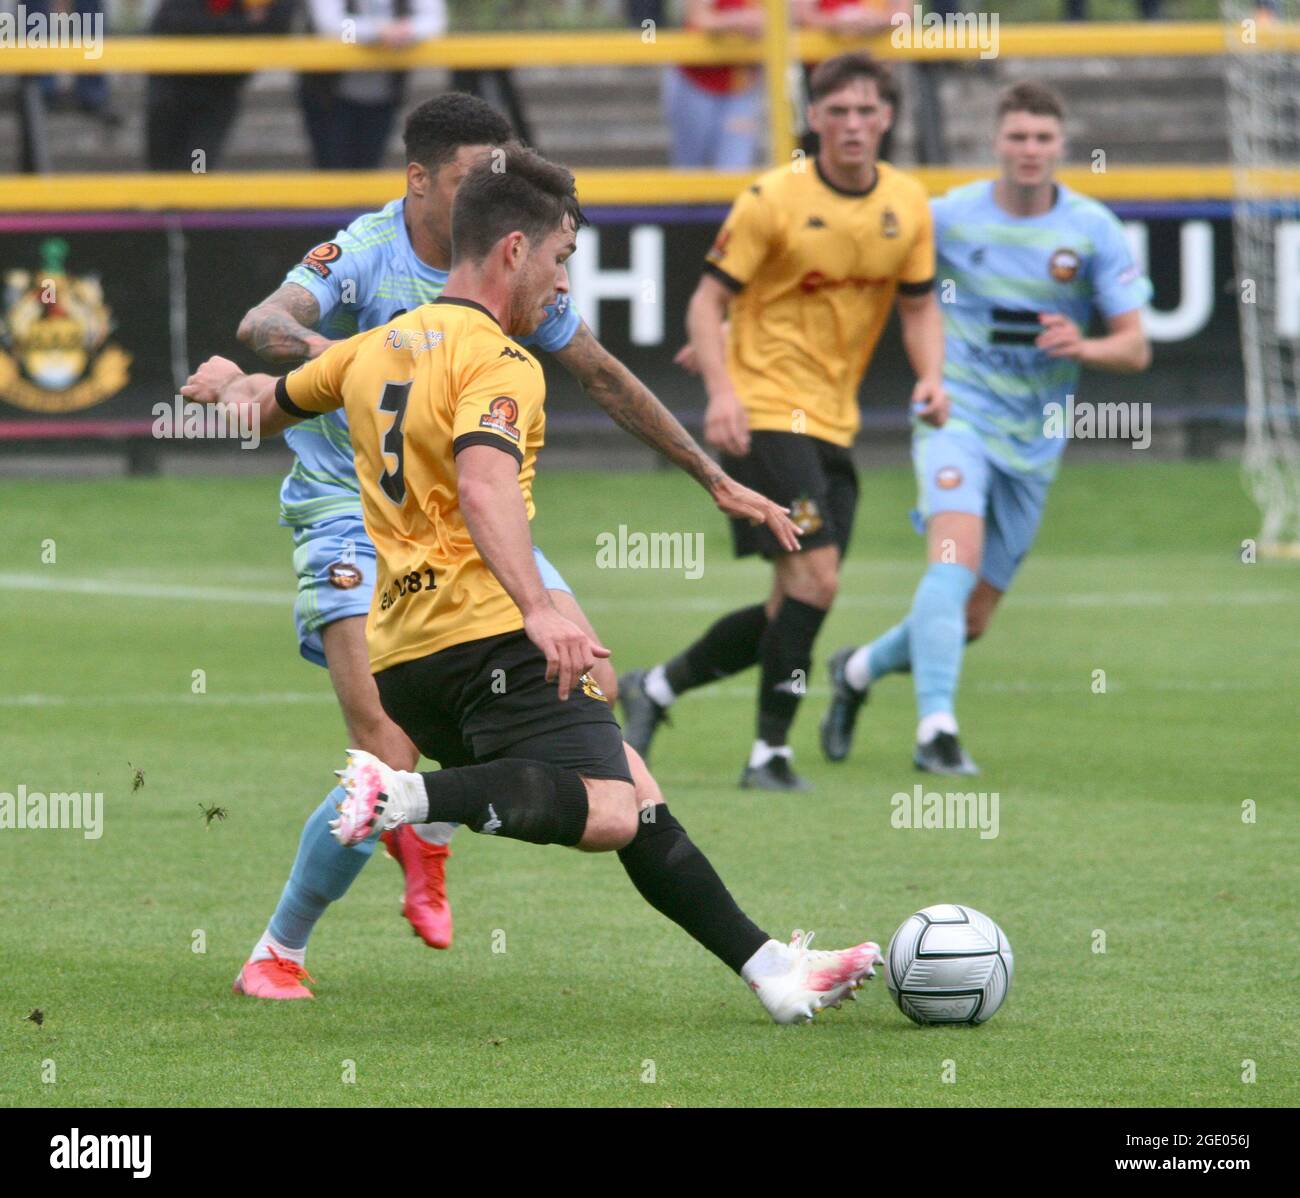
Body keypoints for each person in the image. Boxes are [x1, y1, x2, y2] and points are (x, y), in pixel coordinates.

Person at [183, 143, 884, 1024]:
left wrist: (225, 387)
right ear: (513, 251)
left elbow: (269, 402)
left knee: (632, 783)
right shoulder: (503, 365)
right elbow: (482, 486)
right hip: (486, 637)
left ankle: (774, 970)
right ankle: (410, 800)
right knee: (613, 813)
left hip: (408, 657)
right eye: (560, 259)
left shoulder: (372, 350)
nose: (562, 283)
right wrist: (540, 608)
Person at [621, 52, 947, 792]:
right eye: (838, 112)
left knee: (792, 602)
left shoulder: (908, 203)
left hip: (835, 422)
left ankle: (658, 689)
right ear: (815, 118)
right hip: (767, 414)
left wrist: (932, 375)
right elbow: (707, 301)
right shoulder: (773, 198)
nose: (853, 125)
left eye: (867, 111)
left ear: (887, 118)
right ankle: (769, 754)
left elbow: (921, 304)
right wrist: (724, 395)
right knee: (819, 578)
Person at [821, 81, 1152, 774]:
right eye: (1018, 137)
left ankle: (855, 671)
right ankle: (936, 731)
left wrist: (1082, 346)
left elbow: (1135, 346)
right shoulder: (947, 216)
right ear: (997, 142)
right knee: (952, 558)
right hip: (955, 414)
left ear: (1060, 146)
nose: (1029, 150)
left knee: (970, 618)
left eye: (1042, 138)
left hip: (1036, 436)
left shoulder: (1092, 229)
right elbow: (873, 267)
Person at [146, 0, 295, 172]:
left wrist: (231, 27)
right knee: (161, 168)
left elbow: (277, 24)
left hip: (219, 93)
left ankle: (188, 197)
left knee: (197, 167)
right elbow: (180, 22)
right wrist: (245, 24)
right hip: (172, 88)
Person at [299, 0, 448, 170]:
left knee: (368, 167)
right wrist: (377, 32)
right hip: (327, 94)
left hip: (383, 92)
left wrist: (406, 31)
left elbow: (435, 22)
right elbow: (329, 26)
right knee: (333, 168)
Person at [663, 0, 765, 169]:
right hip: (696, 82)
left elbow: (777, 22)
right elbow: (700, 18)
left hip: (740, 87)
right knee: (690, 169)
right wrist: (738, 20)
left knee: (735, 168)